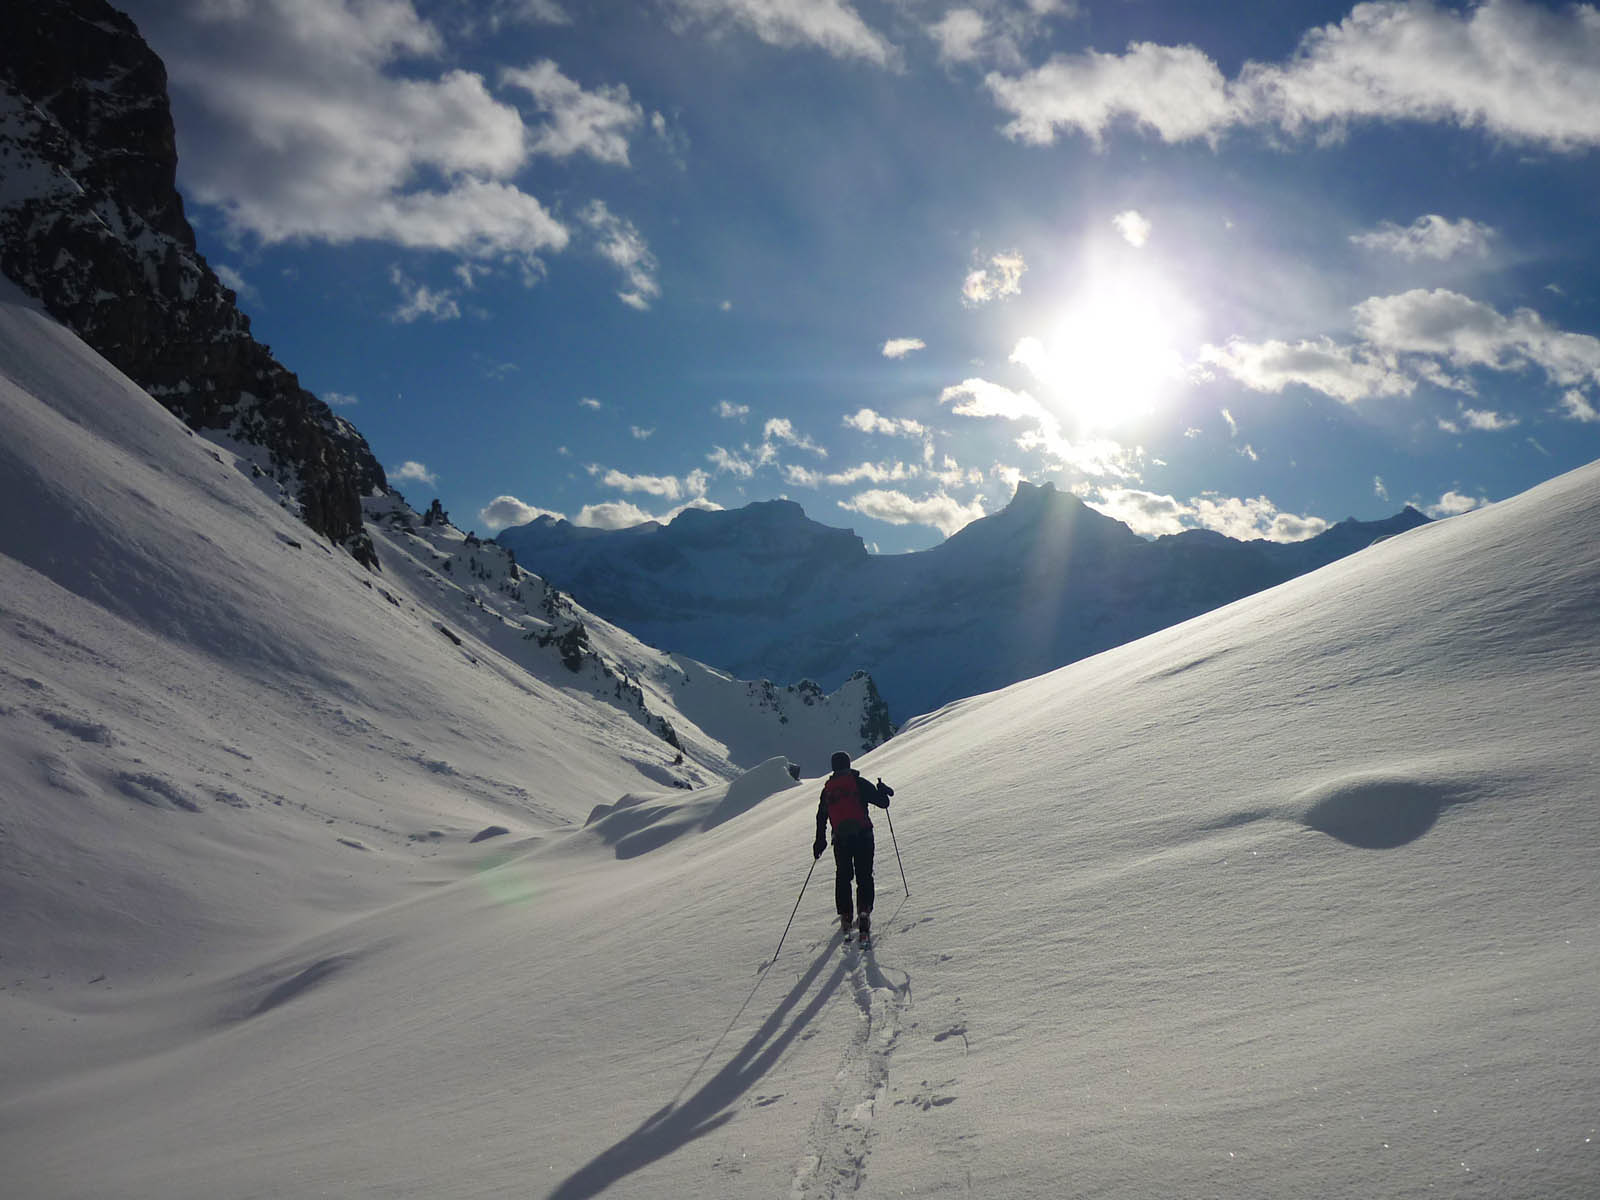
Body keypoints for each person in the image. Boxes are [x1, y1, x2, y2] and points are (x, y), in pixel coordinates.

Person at [813, 751, 891, 943]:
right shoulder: (858, 783)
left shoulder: (828, 790)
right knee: (864, 875)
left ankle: (846, 916)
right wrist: (883, 789)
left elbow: (821, 816)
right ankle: (864, 913)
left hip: (841, 840)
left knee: (843, 876)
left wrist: (819, 840)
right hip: (863, 836)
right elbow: (883, 803)